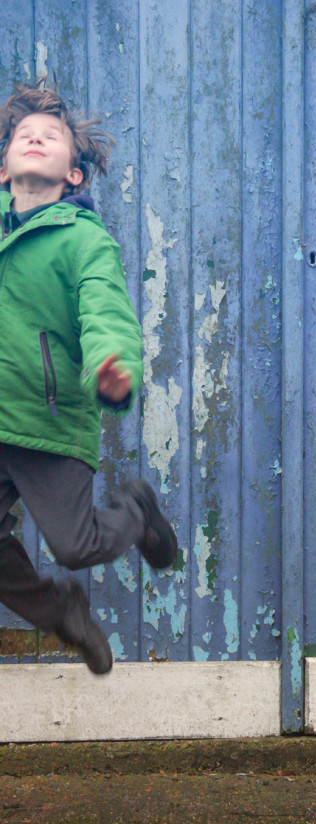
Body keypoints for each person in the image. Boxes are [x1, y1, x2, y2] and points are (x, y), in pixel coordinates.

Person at [0, 81, 178, 674]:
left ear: (73, 175)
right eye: (23, 135)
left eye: (50, 136)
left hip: (45, 419)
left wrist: (114, 365)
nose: (34, 138)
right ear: (3, 169)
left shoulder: (82, 240)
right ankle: (61, 613)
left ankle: (136, 511)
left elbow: (105, 312)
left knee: (75, 547)